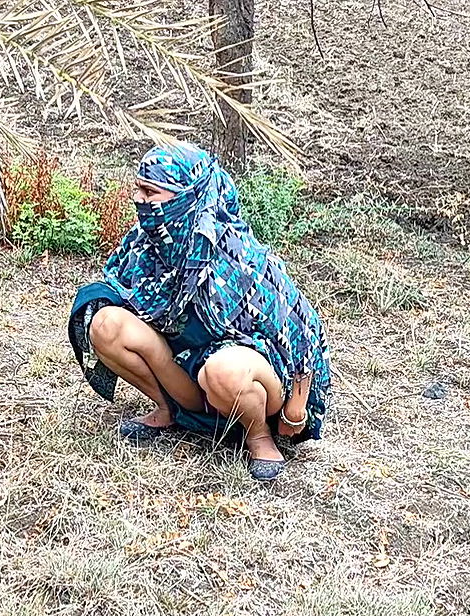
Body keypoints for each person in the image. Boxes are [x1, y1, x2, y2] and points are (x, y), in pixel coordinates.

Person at [67, 143, 332, 482]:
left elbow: (300, 330)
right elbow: (116, 287)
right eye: (137, 189)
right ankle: (168, 410)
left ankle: (259, 437)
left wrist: (298, 409)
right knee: (104, 323)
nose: (140, 200)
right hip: (183, 370)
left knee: (221, 371)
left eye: (150, 192)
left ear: (183, 197)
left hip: (243, 375)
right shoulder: (145, 244)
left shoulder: (236, 255)